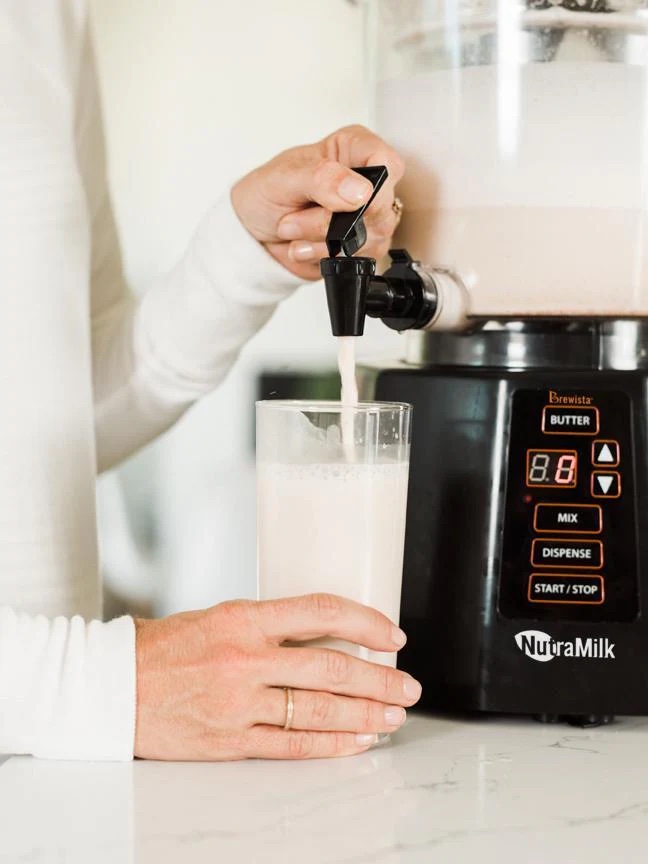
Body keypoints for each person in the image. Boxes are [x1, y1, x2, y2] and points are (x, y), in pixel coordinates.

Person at [0, 4, 421, 762]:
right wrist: (98, 687)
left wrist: (242, 256)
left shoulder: (45, 17)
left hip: (56, 789)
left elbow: (57, 409)